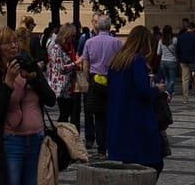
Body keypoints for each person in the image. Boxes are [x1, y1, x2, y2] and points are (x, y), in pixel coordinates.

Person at [0, 28, 54, 185]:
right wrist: (9, 82)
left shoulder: (29, 65)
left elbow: (51, 100)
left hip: (37, 138)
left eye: (16, 41)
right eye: (8, 43)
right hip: (12, 141)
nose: (14, 46)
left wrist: (34, 79)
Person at [104, 25, 164, 177]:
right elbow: (142, 90)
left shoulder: (117, 60)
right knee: (153, 163)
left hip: (119, 116)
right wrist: (158, 89)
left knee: (128, 164)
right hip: (137, 118)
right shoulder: (136, 61)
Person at [79, 16, 117, 155]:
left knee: (99, 116)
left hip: (95, 80)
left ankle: (101, 148)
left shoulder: (89, 42)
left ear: (98, 26)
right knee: (111, 114)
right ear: (109, 27)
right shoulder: (116, 42)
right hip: (111, 80)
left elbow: (85, 63)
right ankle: (111, 145)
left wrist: (88, 78)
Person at [45, 25, 80, 129]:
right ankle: (60, 135)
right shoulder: (57, 48)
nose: (73, 39)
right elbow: (61, 68)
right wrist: (76, 63)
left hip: (68, 86)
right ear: (66, 35)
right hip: (61, 87)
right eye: (72, 36)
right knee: (64, 114)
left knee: (67, 112)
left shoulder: (68, 47)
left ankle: (63, 134)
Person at [156, 26, 179, 96]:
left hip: (163, 61)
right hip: (172, 61)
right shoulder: (174, 40)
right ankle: (168, 92)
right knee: (172, 79)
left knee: (166, 79)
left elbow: (158, 53)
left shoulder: (161, 41)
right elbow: (177, 51)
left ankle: (168, 91)